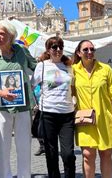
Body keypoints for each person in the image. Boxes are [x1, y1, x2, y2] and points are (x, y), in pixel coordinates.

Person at [0, 19, 37, 178]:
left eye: (2, 34)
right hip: (1, 108)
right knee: (3, 147)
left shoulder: (21, 51)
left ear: (11, 36)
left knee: (24, 147)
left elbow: (36, 66)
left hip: (23, 107)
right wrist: (1, 93)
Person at [72, 39, 112, 178]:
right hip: (84, 118)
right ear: (79, 53)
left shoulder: (106, 69)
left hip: (105, 117)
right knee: (87, 155)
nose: (90, 52)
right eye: (85, 50)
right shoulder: (72, 71)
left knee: (106, 154)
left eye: (92, 49)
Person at [32, 36, 75, 178]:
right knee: (51, 153)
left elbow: (74, 87)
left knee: (68, 153)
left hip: (67, 114)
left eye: (60, 47)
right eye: (54, 47)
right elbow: (32, 86)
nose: (58, 50)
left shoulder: (69, 66)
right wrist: (37, 103)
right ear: (48, 50)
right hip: (48, 113)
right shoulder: (42, 66)